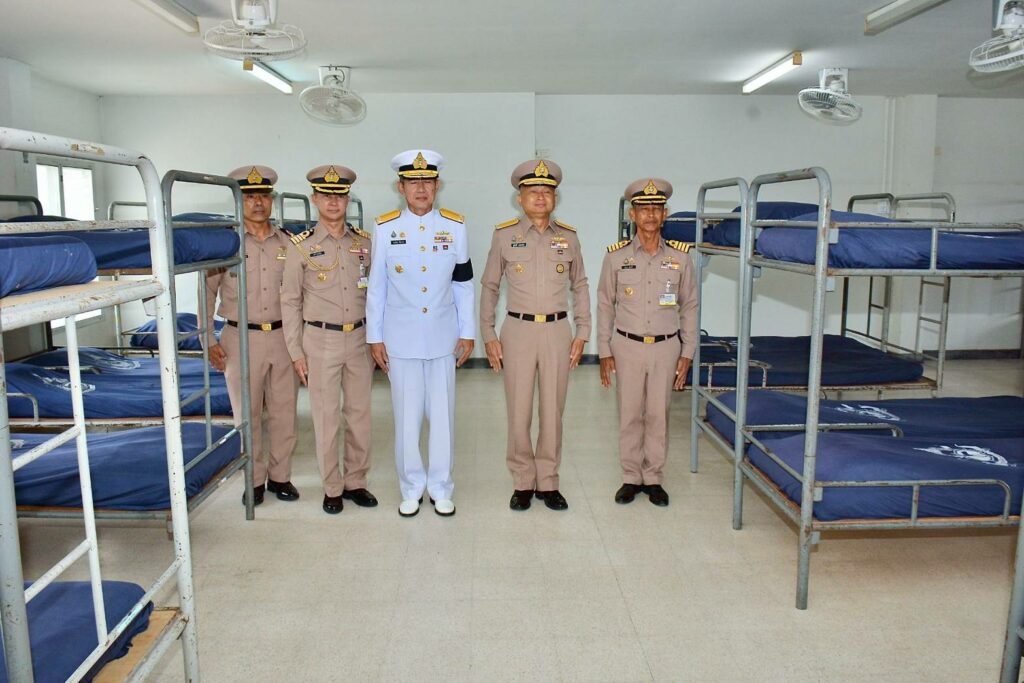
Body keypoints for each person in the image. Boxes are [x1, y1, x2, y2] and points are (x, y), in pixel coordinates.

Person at [366, 149, 475, 518]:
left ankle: (441, 488)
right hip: (401, 339)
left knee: (443, 418)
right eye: (413, 182)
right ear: (401, 187)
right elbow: (377, 287)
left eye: (427, 181)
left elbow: (463, 283)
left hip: (443, 337)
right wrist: (375, 337)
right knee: (406, 419)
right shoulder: (385, 228)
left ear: (438, 185)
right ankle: (411, 487)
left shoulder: (455, 226)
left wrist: (468, 331)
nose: (421, 188)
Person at [479, 159, 591, 511]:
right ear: (520, 198)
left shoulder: (569, 237)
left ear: (555, 197)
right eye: (533, 191)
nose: (540, 197)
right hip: (518, 331)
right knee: (519, 410)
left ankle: (549, 481)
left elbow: (581, 285)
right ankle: (523, 481)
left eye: (547, 191)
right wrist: (488, 333)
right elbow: (490, 286)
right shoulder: (504, 236)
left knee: (553, 411)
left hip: (558, 331)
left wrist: (583, 331)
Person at [280, 165, 377, 515]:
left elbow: (378, 294)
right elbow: (290, 301)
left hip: (360, 338)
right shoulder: (300, 247)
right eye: (326, 196)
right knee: (326, 417)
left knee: (360, 415)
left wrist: (379, 339)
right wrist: (295, 351)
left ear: (348, 200)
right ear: (315, 199)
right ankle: (332, 487)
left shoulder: (365, 243)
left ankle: (356, 482)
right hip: (319, 340)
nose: (333, 202)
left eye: (340, 196)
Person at [596, 178, 697, 507]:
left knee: (658, 414)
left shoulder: (681, 258)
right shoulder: (615, 257)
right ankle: (630, 476)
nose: (650, 215)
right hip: (627, 345)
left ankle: (653, 477)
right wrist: (604, 350)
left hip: (666, 346)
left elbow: (690, 306)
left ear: (665, 214)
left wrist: (688, 351)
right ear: (633, 215)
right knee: (629, 413)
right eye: (643, 209)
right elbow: (605, 304)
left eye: (656, 208)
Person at [205, 165, 298, 506]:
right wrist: (208, 340)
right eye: (249, 197)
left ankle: (280, 477)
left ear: (271, 199)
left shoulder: (289, 243)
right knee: (247, 415)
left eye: (263, 196)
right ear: (238, 201)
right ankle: (254, 480)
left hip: (283, 337)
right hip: (239, 338)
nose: (258, 203)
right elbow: (206, 294)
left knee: (284, 412)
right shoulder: (224, 244)